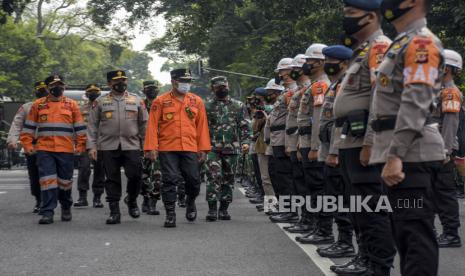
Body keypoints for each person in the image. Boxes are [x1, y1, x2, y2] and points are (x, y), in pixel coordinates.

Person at [370, 0, 443, 275]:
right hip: (404, 154)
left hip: (411, 155)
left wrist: (395, 154)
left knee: (415, 236)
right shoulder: (402, 43)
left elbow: (416, 102)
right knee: (404, 233)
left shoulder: (420, 44)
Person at [331, 0, 396, 275]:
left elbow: (380, 97)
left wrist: (371, 141)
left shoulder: (380, 47)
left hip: (363, 141)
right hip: (350, 139)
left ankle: (379, 265)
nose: (346, 19)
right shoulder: (363, 51)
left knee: (370, 209)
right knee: (358, 207)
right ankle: (364, 258)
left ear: (370, 16)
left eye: (350, 14)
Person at [144, 69, 211, 228]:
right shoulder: (160, 101)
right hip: (168, 147)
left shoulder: (196, 101)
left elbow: (202, 127)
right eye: (183, 81)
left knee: (193, 180)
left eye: (188, 81)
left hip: (190, 147)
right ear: (174, 81)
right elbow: (152, 126)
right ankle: (170, 214)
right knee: (170, 179)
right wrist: (151, 148)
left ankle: (190, 201)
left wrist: (204, 149)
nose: (186, 84)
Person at [20, 75, 86, 224]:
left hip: (66, 149)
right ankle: (47, 212)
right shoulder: (38, 105)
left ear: (64, 86)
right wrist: (28, 145)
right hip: (44, 149)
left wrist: (81, 145)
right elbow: (29, 127)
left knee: (65, 182)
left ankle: (66, 206)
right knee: (47, 180)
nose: (58, 88)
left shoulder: (72, 105)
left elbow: (80, 128)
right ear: (48, 88)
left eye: (61, 85)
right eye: (55, 85)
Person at [87, 70, 148, 224]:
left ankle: (132, 200)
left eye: (123, 80)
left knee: (135, 175)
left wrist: (149, 145)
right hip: (108, 146)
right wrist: (92, 147)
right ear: (109, 84)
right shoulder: (100, 101)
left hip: (132, 145)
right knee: (112, 179)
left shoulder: (136, 100)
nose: (121, 83)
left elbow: (144, 124)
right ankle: (114, 212)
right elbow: (92, 126)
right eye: (117, 81)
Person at [316, 45, 356, 258]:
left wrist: (334, 151)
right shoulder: (335, 85)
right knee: (334, 196)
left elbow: (341, 123)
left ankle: (346, 242)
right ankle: (342, 240)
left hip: (338, 150)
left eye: (330, 60)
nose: (326, 64)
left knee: (342, 198)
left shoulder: (345, 86)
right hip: (329, 148)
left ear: (343, 63)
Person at [293, 44, 331, 241]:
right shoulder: (314, 85)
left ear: (320, 62)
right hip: (307, 142)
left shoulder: (320, 86)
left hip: (314, 144)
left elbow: (318, 119)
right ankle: (317, 227)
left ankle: (324, 230)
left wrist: (315, 147)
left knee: (318, 188)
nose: (305, 65)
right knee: (312, 187)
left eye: (309, 61)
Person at [204, 76, 250, 221]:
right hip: (212, 148)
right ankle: (212, 209)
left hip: (232, 148)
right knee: (213, 177)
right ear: (213, 89)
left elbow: (244, 125)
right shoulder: (207, 106)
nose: (222, 89)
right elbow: (201, 128)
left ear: (228, 87)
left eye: (224, 87)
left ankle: (224, 209)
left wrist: (246, 142)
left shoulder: (238, 105)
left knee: (229, 179)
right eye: (218, 87)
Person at [431, 49, 463, 248]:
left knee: (444, 193)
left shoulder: (450, 92)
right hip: (432, 150)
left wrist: (444, 151)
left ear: (448, 68)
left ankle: (451, 234)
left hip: (442, 151)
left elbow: (450, 124)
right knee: (433, 192)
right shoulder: (437, 90)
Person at [7, 81, 49, 213]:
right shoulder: (27, 107)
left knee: (49, 174)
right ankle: (39, 199)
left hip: (51, 146)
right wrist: (12, 140)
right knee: (35, 174)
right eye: (39, 89)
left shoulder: (58, 106)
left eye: (44, 89)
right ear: (35, 92)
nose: (42, 91)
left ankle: (49, 200)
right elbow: (17, 124)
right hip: (33, 146)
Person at [267, 58, 300, 223]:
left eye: (285, 71)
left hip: (284, 140)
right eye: (281, 72)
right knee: (281, 177)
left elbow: (292, 120)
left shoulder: (294, 92)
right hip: (277, 140)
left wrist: (289, 143)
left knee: (287, 178)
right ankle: (287, 209)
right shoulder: (285, 93)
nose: (282, 75)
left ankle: (291, 211)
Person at [283, 54, 313, 234]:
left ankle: (311, 222)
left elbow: (310, 121)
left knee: (309, 186)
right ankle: (306, 219)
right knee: (299, 184)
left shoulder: (311, 88)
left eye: (294, 69)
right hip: (295, 141)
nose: (290, 73)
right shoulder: (299, 91)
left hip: (304, 142)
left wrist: (304, 144)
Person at [74, 84, 105, 208]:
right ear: (86, 94)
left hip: (101, 144)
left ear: (99, 93)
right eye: (90, 92)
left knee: (100, 170)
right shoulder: (80, 109)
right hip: (85, 143)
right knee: (84, 169)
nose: (93, 94)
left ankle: (97, 198)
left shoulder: (105, 107)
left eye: (95, 92)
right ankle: (82, 197)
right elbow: (76, 127)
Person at [140, 80, 162, 215]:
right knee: (143, 175)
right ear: (144, 90)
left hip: (158, 145)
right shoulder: (140, 105)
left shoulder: (163, 104)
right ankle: (145, 198)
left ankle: (153, 202)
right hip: (141, 145)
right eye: (149, 89)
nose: (152, 91)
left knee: (157, 175)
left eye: (154, 88)